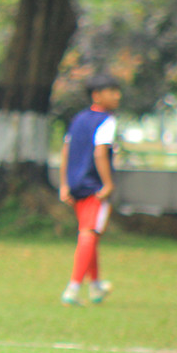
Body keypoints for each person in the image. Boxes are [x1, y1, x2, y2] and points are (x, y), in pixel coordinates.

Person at [58, 73, 121, 306]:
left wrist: (64, 184)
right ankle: (73, 289)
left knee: (89, 233)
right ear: (97, 95)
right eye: (112, 91)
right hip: (94, 187)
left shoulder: (78, 119)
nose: (117, 96)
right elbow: (100, 152)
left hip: (75, 184)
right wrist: (108, 184)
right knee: (89, 234)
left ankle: (95, 288)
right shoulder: (107, 120)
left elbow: (66, 150)